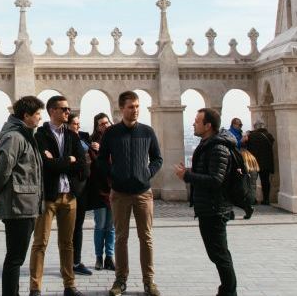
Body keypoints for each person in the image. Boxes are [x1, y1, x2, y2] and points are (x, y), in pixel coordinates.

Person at [97, 91, 163, 296]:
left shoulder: (147, 131)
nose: (135, 110)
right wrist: (114, 176)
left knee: (146, 238)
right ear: (121, 109)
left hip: (143, 193)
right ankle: (120, 280)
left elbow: (157, 159)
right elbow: (101, 160)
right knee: (121, 238)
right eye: (130, 107)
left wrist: (147, 174)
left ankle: (149, 281)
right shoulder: (111, 133)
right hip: (119, 193)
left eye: (137, 106)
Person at [28, 96, 89, 296]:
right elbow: (46, 165)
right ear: (52, 110)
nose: (67, 112)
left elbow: (82, 165)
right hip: (49, 197)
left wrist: (59, 161)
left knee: (67, 243)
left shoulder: (72, 136)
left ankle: (69, 286)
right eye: (64, 109)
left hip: (69, 196)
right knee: (40, 242)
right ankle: (35, 288)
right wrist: (67, 161)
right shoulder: (41, 136)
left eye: (68, 109)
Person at [175, 108, 239, 296]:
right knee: (217, 254)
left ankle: (229, 292)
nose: (194, 124)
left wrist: (187, 176)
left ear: (208, 125)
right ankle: (226, 290)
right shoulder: (209, 144)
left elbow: (215, 180)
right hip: (209, 207)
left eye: (197, 121)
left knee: (220, 255)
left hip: (215, 208)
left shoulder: (217, 148)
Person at [0, 95, 45, 296]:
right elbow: (4, 168)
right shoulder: (15, 137)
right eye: (37, 114)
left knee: (16, 257)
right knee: (15, 258)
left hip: (26, 203)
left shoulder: (24, 134)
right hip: (18, 205)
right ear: (26, 115)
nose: (40, 118)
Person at [87, 113, 115, 271]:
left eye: (107, 123)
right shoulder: (93, 143)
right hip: (99, 189)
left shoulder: (116, 139)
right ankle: (99, 257)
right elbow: (97, 166)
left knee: (111, 226)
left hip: (115, 188)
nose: (105, 126)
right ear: (96, 127)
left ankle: (109, 257)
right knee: (100, 225)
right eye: (101, 124)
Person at [69, 112, 94, 276]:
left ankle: (75, 261)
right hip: (73, 186)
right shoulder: (66, 139)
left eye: (79, 123)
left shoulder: (84, 137)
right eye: (75, 124)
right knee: (73, 227)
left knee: (78, 226)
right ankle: (73, 262)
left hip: (86, 185)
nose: (78, 126)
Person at [245, 121, 275, 205]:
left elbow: (245, 144)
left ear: (255, 127)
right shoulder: (269, 136)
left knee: (252, 181)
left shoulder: (251, 136)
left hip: (254, 162)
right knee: (265, 181)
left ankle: (253, 199)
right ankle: (266, 199)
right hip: (266, 162)